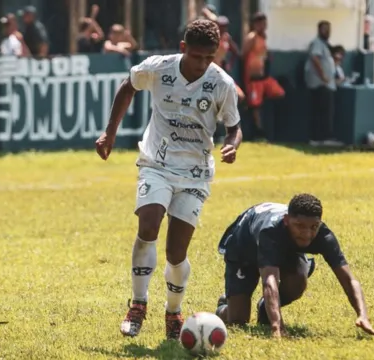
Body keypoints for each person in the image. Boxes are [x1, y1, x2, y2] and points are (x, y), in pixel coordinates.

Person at [95, 19, 243, 340]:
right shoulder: (159, 68)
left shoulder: (222, 84)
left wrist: (232, 143)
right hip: (156, 163)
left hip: (194, 173)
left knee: (176, 252)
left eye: (210, 57)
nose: (203, 63)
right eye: (198, 56)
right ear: (183, 49)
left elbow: (234, 126)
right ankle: (137, 305)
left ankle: (173, 313)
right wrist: (109, 133)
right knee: (148, 226)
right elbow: (128, 86)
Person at [214, 194, 374, 338]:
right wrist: (277, 327)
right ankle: (224, 305)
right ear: (287, 220)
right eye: (300, 226)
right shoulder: (270, 231)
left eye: (313, 227)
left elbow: (348, 279)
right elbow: (269, 280)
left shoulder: (323, 236)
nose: (307, 234)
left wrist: (362, 314)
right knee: (237, 320)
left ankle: (265, 311)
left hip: (283, 250)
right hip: (244, 248)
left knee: (298, 279)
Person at [242, 12, 285, 138]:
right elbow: (244, 56)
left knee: (279, 92)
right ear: (255, 24)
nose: (263, 26)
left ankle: (271, 123)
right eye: (261, 24)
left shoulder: (263, 38)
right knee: (255, 105)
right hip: (252, 77)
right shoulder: (251, 38)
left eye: (265, 24)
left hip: (263, 76)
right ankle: (258, 130)